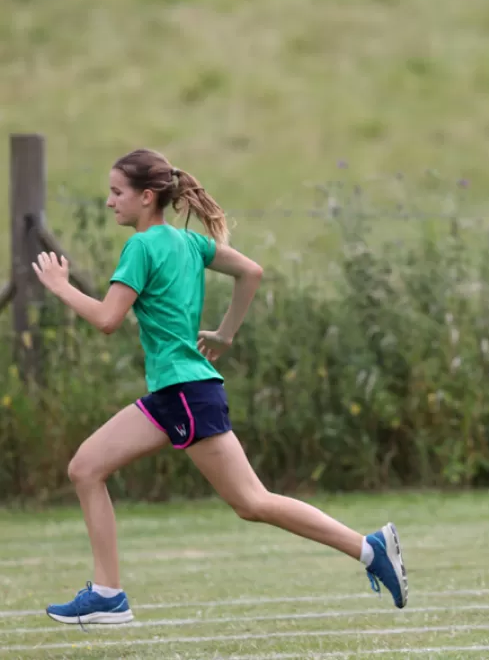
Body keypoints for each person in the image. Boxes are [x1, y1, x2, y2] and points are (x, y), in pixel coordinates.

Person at [36, 149, 407, 625]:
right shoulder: (190, 243)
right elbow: (251, 271)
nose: (109, 202)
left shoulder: (142, 247)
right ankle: (108, 594)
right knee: (86, 468)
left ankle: (369, 548)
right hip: (176, 394)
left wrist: (61, 287)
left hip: (185, 394)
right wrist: (225, 334)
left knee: (252, 502)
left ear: (146, 197)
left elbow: (108, 319)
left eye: (116, 192)